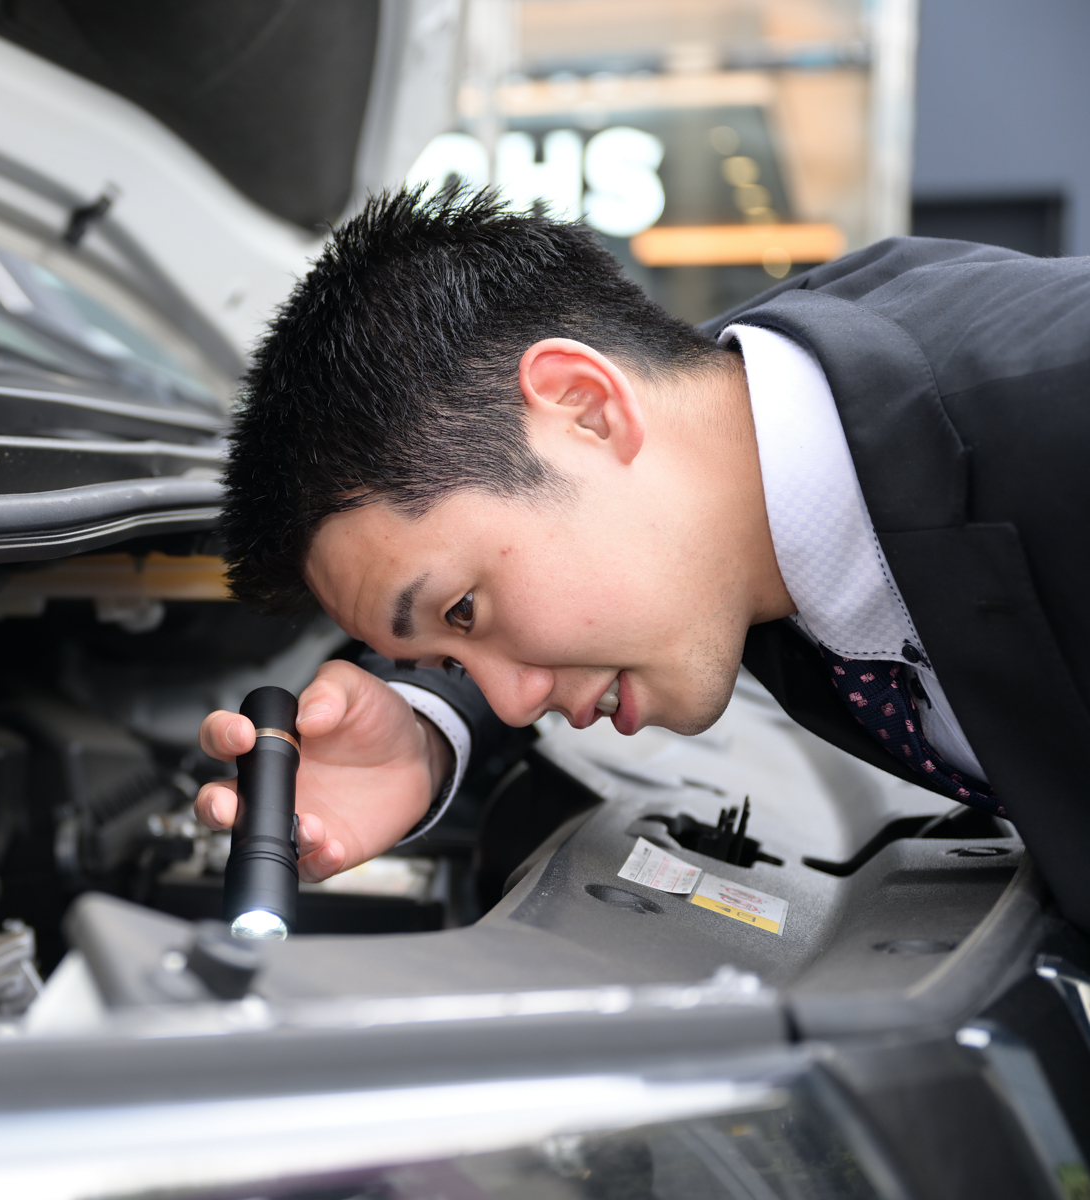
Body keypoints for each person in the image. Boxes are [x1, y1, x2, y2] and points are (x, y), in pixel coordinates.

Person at [193, 188, 1090, 931]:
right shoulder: (722, 414)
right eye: (444, 657)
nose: (509, 698)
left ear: (586, 406)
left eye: (464, 612)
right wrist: (429, 727)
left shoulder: (1061, 413)